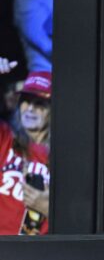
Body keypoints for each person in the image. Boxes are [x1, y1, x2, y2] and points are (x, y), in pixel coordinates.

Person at [0, 60, 51, 235]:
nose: (30, 109)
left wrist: (49, 207)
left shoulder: (64, 159)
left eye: (39, 104)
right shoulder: (6, 140)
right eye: (26, 101)